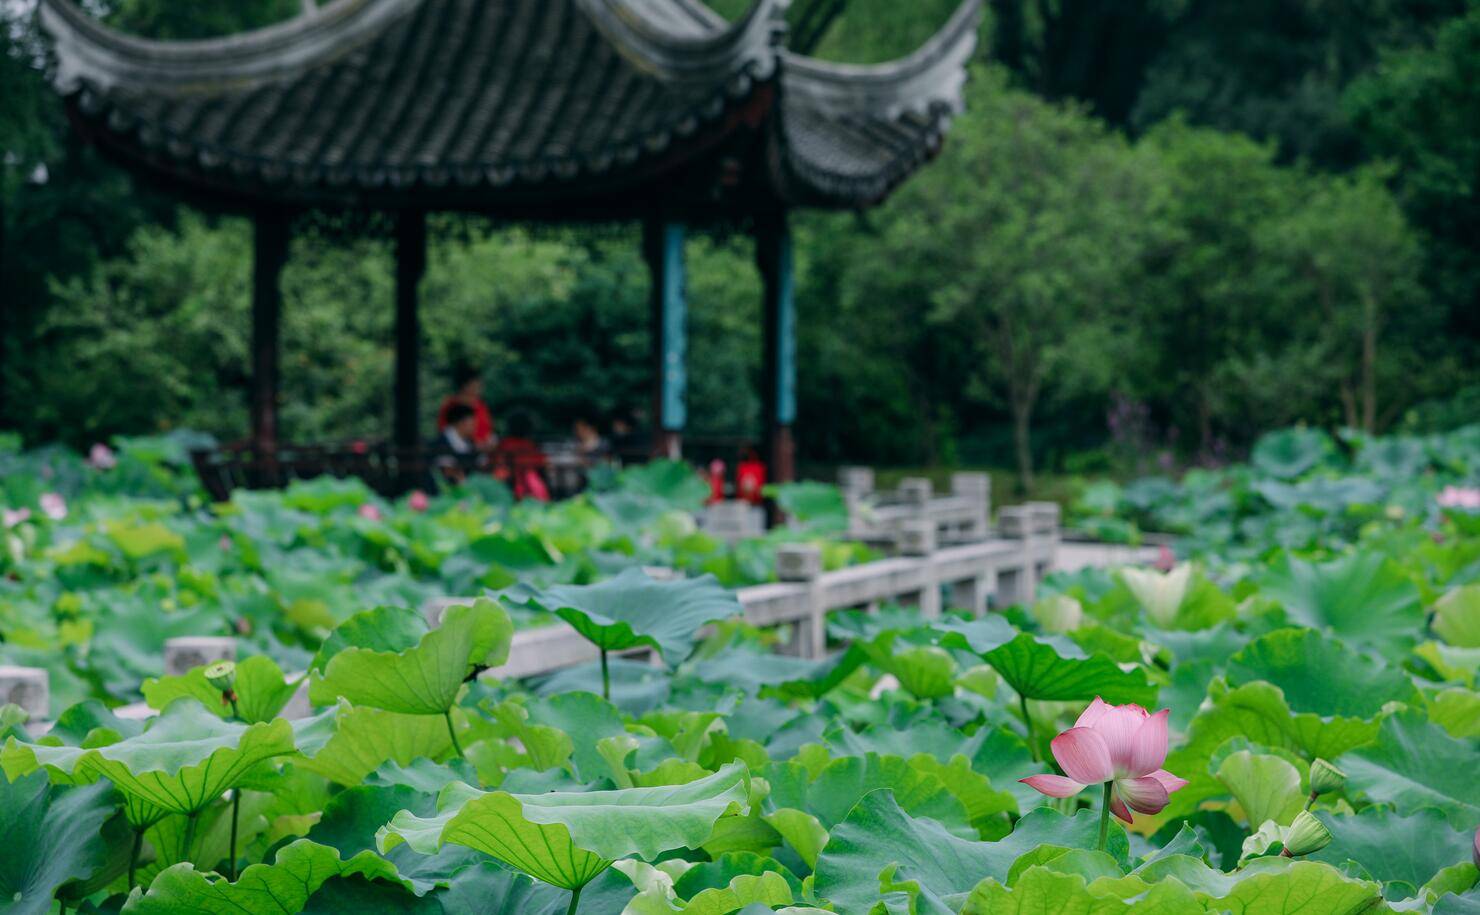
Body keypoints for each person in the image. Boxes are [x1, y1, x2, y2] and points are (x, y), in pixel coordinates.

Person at [493, 410, 550, 501]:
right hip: (530, 491)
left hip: (508, 489)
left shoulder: (504, 445)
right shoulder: (529, 446)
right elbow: (542, 462)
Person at [437, 365, 495, 448]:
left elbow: (487, 430)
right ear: (465, 385)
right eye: (476, 384)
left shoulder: (481, 406)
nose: (479, 388)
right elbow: (444, 431)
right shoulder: (450, 405)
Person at [429, 402, 480, 483]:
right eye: (472, 422)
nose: (475, 426)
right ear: (461, 423)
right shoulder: (442, 443)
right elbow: (447, 472)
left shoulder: (469, 442)